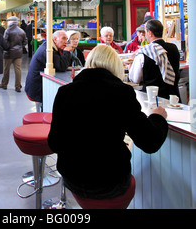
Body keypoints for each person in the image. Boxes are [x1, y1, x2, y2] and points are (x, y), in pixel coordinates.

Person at [48, 44, 168, 200]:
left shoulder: (65, 92)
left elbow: (54, 143)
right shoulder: (122, 93)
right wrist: (157, 117)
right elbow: (150, 142)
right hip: (110, 183)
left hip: (72, 179)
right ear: (115, 65)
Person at [129, 19, 180, 99]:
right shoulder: (174, 48)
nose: (145, 35)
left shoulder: (144, 52)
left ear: (150, 33)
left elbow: (135, 79)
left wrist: (130, 69)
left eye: (145, 32)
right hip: (172, 96)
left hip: (152, 98)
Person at [25, 30, 72, 104]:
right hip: (38, 89)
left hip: (39, 86)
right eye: (63, 38)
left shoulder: (50, 46)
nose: (66, 42)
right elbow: (62, 67)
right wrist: (66, 52)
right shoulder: (48, 51)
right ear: (55, 39)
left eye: (67, 39)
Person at [0, 16, 27, 92]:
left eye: (8, 21)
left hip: (8, 53)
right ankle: (18, 86)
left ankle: (4, 84)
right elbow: (25, 41)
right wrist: (20, 47)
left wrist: (7, 48)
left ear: (11, 22)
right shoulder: (21, 31)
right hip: (18, 53)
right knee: (18, 70)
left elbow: (4, 42)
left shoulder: (8, 30)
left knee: (6, 69)